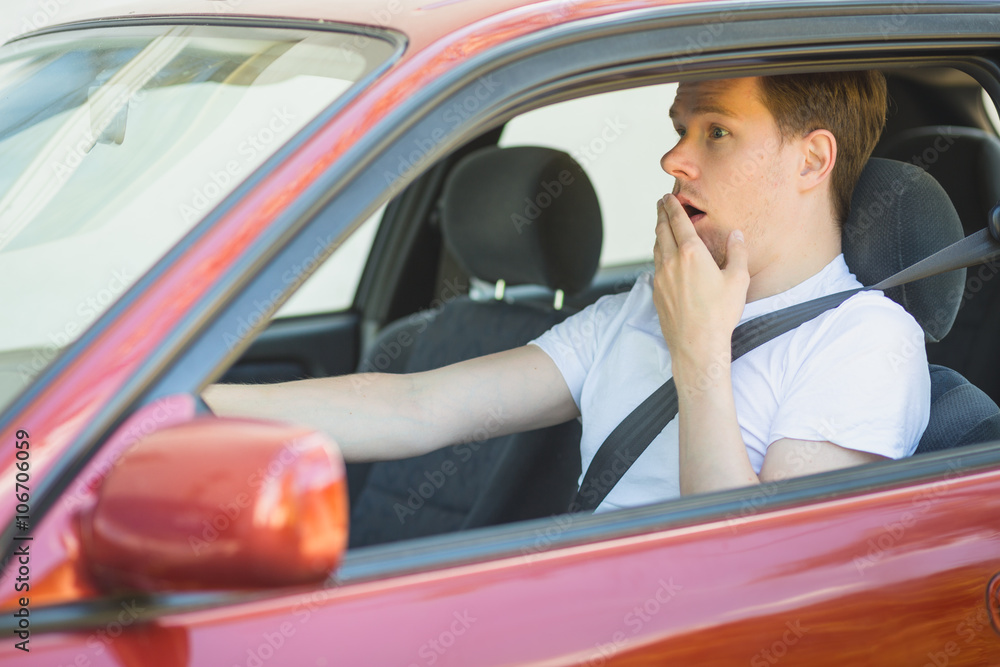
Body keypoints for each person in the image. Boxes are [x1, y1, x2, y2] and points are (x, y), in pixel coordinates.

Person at [204, 72, 930, 513]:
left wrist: (701, 356)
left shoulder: (866, 344)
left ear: (812, 158)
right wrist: (186, 408)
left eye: (716, 132)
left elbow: (753, 575)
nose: (673, 158)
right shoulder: (644, 306)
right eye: (680, 129)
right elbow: (417, 406)